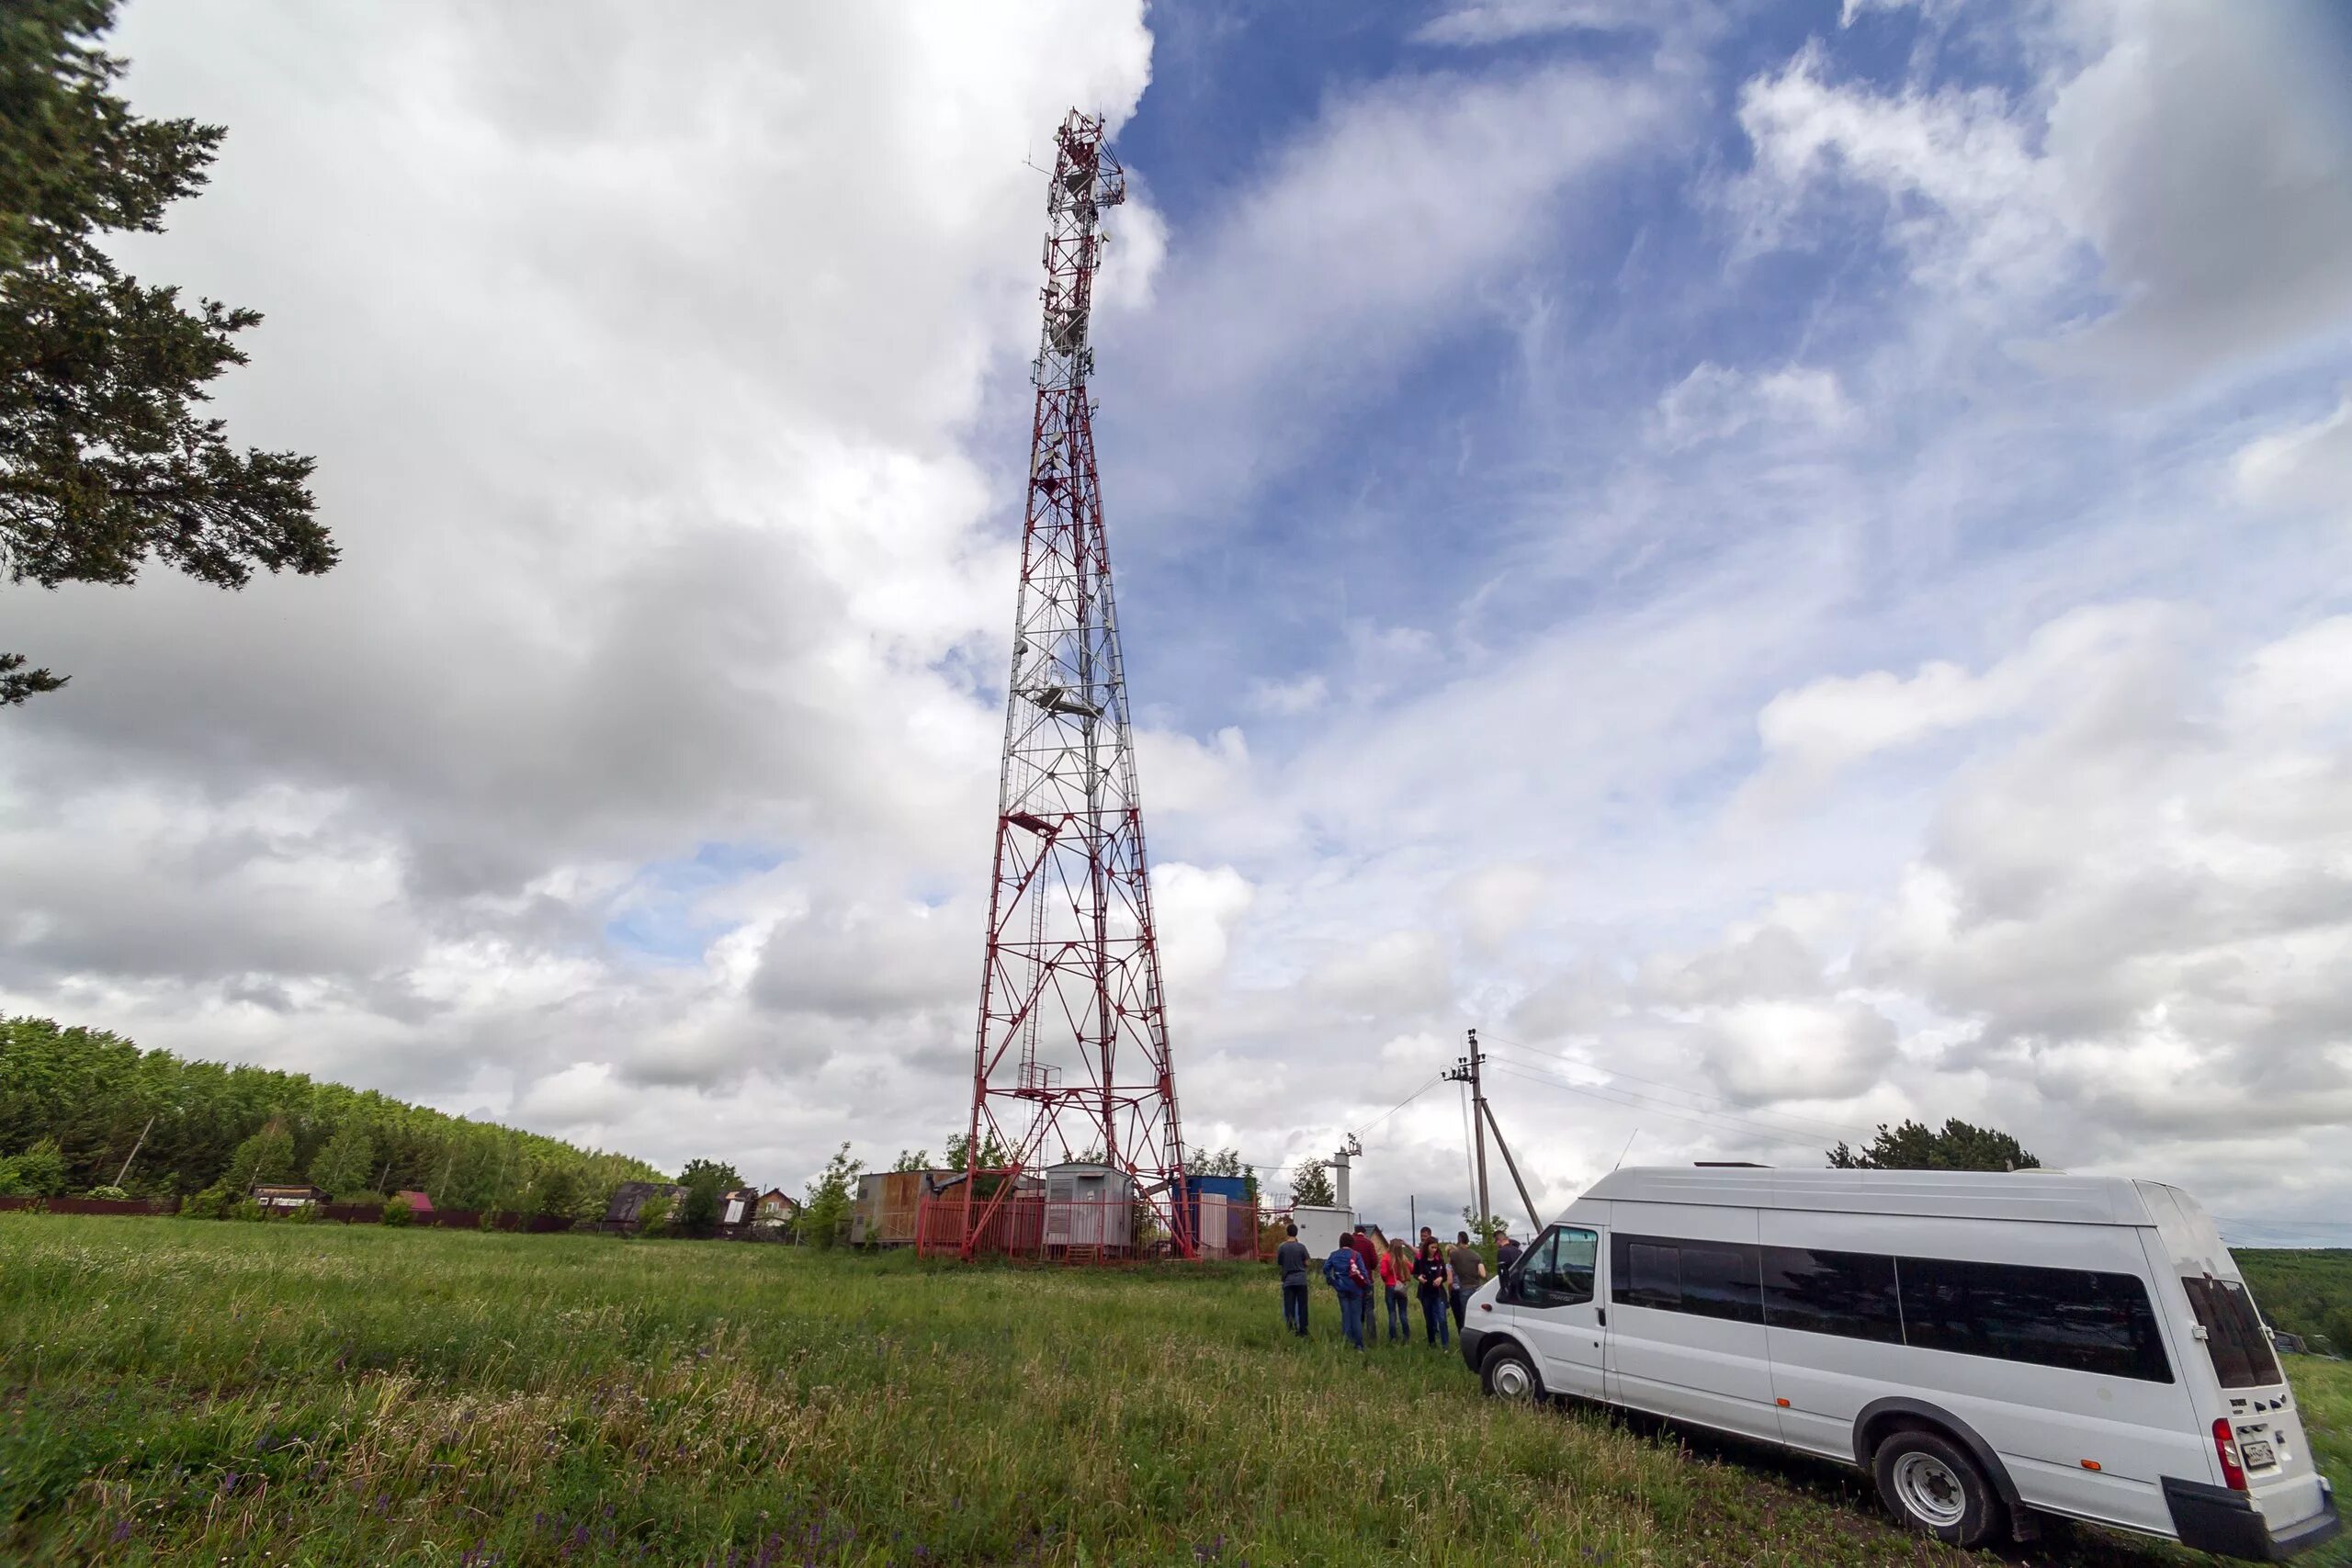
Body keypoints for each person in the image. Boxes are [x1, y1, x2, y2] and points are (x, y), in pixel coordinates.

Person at [1324, 1230, 1371, 1349]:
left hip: (1341, 1288)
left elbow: (1326, 1269)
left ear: (1340, 1242)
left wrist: (1332, 1281)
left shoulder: (1334, 1255)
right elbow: (1364, 1272)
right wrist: (1367, 1286)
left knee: (1346, 1315)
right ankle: (1359, 1345)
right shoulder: (1356, 1255)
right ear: (1351, 1243)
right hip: (1356, 1289)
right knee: (1356, 1316)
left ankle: (1347, 1342)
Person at [1412, 1236, 1452, 1348]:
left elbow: (1444, 1275)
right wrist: (1419, 1277)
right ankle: (1432, 1343)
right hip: (1425, 1293)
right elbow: (1414, 1273)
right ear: (1427, 1247)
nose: (1434, 1249)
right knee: (1429, 1320)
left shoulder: (1439, 1259)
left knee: (1442, 1319)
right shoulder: (1420, 1259)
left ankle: (1445, 1345)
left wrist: (1440, 1279)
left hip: (1438, 1293)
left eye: (1436, 1247)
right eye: (1432, 1247)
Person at [1274, 1222, 1311, 1337]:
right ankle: (1303, 1330)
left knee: (1289, 1306)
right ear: (1296, 1233)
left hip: (1288, 1280)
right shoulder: (1301, 1247)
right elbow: (1307, 1262)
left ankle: (1291, 1330)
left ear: (1287, 1233)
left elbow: (1280, 1262)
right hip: (1301, 1280)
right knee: (1302, 1306)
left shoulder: (1282, 1247)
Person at [1446, 1229, 1486, 1331]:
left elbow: (1449, 1267)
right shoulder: (1476, 1255)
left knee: (1466, 1315)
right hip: (1477, 1288)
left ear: (1459, 1239)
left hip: (1464, 1288)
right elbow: (1483, 1274)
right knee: (1478, 1314)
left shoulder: (1454, 1255)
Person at [1380, 1236, 1413, 1344]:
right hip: (1401, 1287)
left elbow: (1383, 1274)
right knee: (1403, 1313)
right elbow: (1412, 1269)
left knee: (1392, 1313)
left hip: (1390, 1287)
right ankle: (1406, 1336)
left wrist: (1387, 1281)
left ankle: (1393, 1337)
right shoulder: (1404, 1259)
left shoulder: (1386, 1258)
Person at [1350, 1224, 1379, 1308]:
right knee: (1369, 1306)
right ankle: (1370, 1321)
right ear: (1364, 1233)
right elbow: (1374, 1262)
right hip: (1367, 1277)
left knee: (1356, 1306)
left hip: (1353, 1278)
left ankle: (1358, 1321)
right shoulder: (1369, 1243)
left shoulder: (1350, 1242)